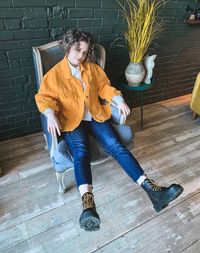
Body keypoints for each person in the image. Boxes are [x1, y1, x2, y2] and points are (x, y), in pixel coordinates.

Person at [35, 29, 184, 232]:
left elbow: (105, 87)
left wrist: (118, 100)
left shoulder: (92, 69)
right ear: (68, 47)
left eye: (85, 52)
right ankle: (88, 206)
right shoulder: (54, 75)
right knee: (81, 152)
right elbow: (44, 97)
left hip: (95, 115)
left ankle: (152, 190)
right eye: (78, 50)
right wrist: (50, 113)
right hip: (71, 121)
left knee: (116, 145)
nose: (81, 55)